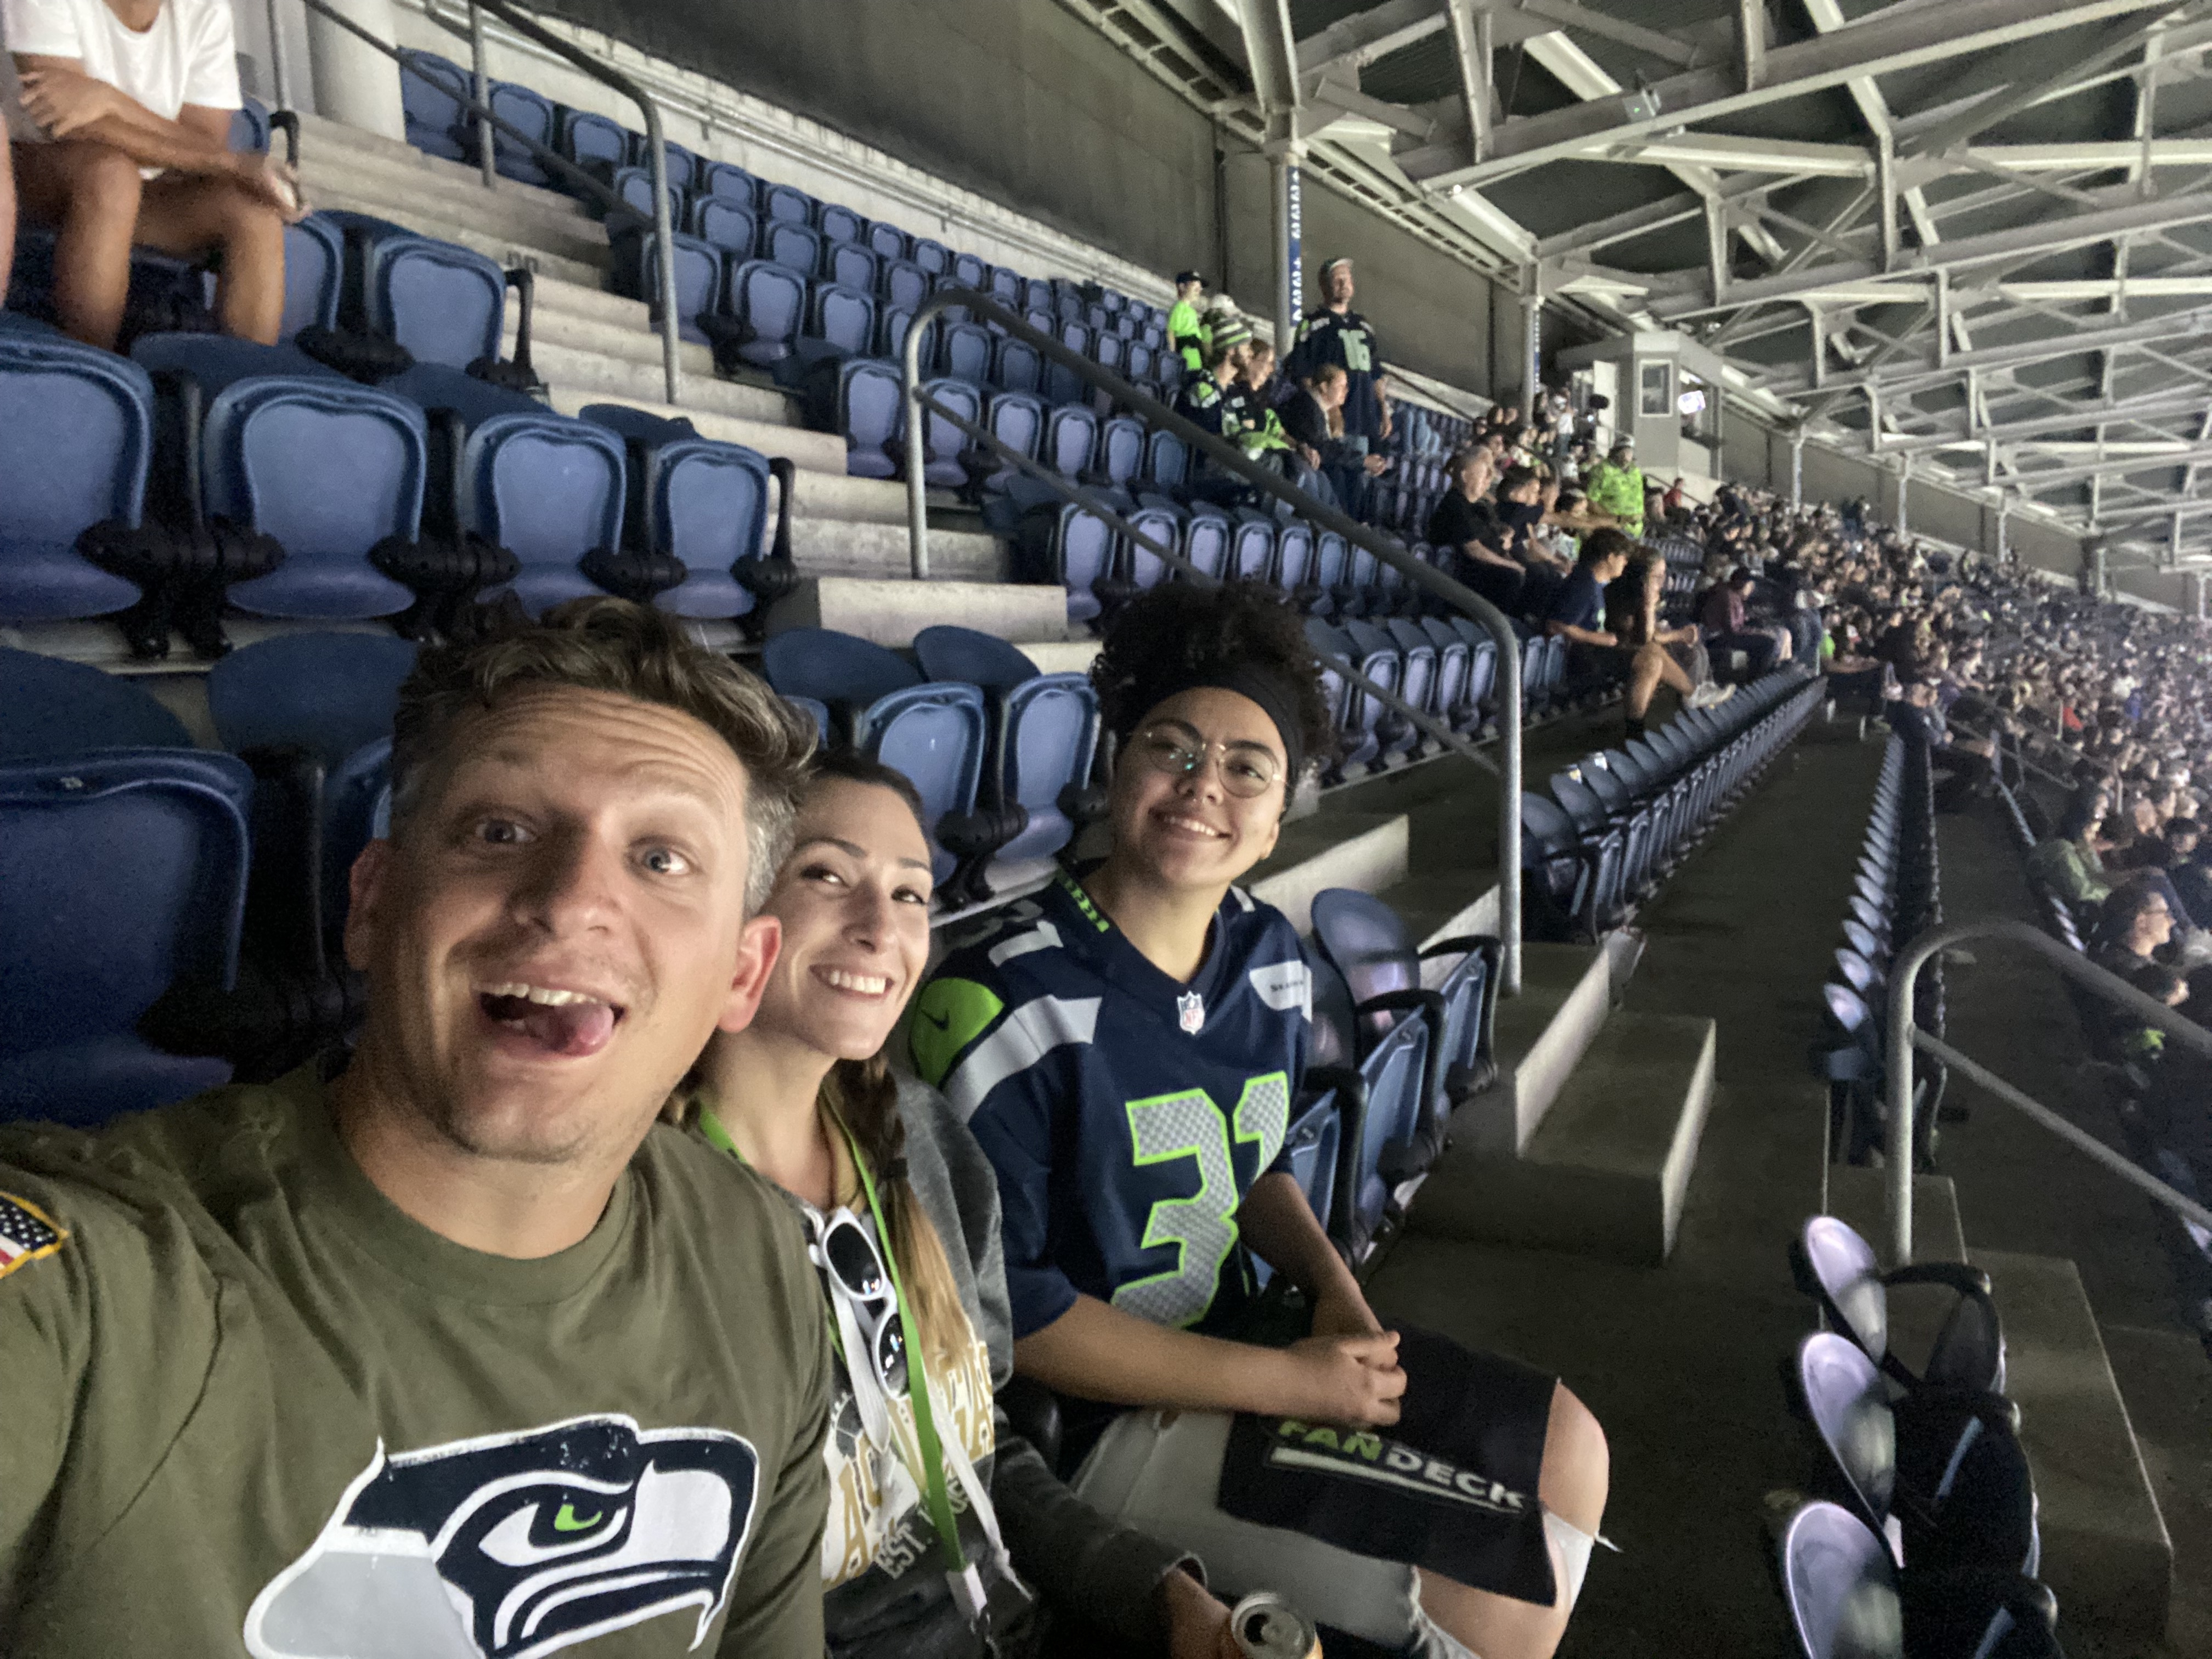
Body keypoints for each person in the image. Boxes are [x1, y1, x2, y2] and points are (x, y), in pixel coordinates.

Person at [0, 599, 837, 1654]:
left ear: (744, 972)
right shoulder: (106, 1287)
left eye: (662, 857)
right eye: (501, 831)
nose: (569, 899)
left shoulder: (758, 1251)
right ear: (373, 902)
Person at [911, 582, 1610, 1659]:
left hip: (1249, 1338)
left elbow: (1257, 1155)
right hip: (1088, 1425)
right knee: (1493, 1597)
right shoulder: (998, 997)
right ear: (1116, 764)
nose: (1204, 784)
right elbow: (1020, 1319)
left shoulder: (1269, 956)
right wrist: (1289, 1382)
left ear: (1278, 815)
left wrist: (1330, 1284)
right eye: (1172, 747)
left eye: (1247, 766)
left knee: (1571, 1450)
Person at [678, 751, 1230, 1658]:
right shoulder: (644, 1215)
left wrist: (1160, 1592)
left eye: (909, 893)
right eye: (826, 875)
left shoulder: (923, 1138)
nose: (879, 928)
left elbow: (979, 1451)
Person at [3, 0, 306, 349]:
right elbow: (64, 119)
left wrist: (110, 100)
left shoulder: (206, 9)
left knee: (253, 211)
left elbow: (207, 141)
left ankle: (241, 377)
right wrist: (222, 159)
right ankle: (89, 368)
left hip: (141, 187)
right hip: (29, 172)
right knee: (112, 177)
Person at [1547, 527, 1707, 741]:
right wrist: (1597, 637)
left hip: (1596, 651)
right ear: (1610, 557)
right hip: (1584, 656)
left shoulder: (1593, 583)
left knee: (1652, 654)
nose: (1625, 563)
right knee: (1649, 660)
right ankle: (1641, 728)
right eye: (1622, 557)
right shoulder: (1584, 585)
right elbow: (1555, 625)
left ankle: (1689, 697)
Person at [1284, 257, 1383, 483]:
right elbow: (1302, 372)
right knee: (1334, 480)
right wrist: (1322, 411)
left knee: (1358, 483)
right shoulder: (1313, 324)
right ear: (1324, 286)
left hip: (1363, 418)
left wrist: (1384, 411)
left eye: (1347, 279)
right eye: (1338, 280)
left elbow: (1376, 373)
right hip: (1332, 422)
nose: (1344, 284)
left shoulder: (1364, 325)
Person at [1427, 447, 1525, 613]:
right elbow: (1474, 550)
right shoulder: (1455, 505)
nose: (1487, 483)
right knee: (1511, 577)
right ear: (1465, 476)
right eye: (1483, 477)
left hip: (1477, 565)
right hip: (1458, 571)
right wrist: (1511, 565)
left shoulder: (1475, 506)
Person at [1702, 567, 1781, 676]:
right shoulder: (1729, 596)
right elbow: (1734, 629)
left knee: (1762, 632)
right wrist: (1760, 633)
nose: (1752, 589)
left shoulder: (1730, 592)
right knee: (1768, 643)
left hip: (1723, 633)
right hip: (1718, 637)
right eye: (1750, 585)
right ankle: (1756, 678)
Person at [1583, 444, 1645, 538]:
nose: (1626, 456)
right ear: (1615, 452)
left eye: (1629, 452)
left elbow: (1639, 495)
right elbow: (1591, 501)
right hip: (1614, 529)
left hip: (1637, 528)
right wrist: (1615, 520)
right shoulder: (1602, 470)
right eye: (1623, 452)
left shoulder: (1635, 471)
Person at [1165, 269, 1209, 379]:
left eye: (1200, 287)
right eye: (1194, 285)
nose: (1199, 289)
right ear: (1182, 287)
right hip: (1186, 355)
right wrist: (1173, 357)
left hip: (1195, 356)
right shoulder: (1178, 308)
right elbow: (1171, 332)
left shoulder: (1192, 312)